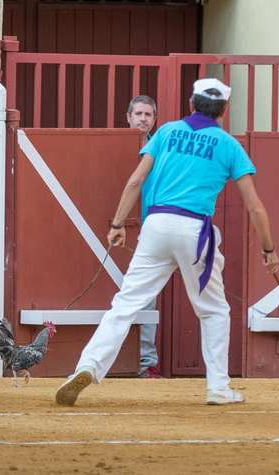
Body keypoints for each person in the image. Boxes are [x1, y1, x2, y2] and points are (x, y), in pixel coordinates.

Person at [55, 78, 279, 408]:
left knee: (125, 304)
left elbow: (136, 180)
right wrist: (268, 249)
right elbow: (255, 205)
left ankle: (87, 365)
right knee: (214, 311)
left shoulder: (167, 131)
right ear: (223, 110)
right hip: (195, 231)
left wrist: (117, 224)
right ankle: (218, 387)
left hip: (156, 226)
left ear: (191, 103)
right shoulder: (228, 144)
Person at [120, 94, 165, 379]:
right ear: (128, 117)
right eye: (138, 113)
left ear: (154, 119)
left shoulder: (160, 147)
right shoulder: (116, 146)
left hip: (149, 232)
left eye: (148, 114)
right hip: (124, 229)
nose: (143, 119)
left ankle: (144, 363)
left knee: (146, 298)